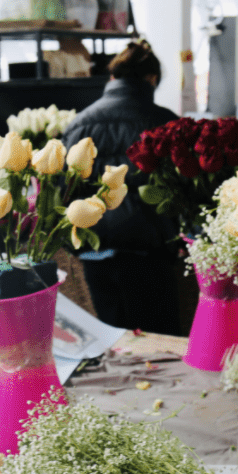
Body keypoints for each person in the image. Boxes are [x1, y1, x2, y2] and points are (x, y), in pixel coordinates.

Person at [62, 40, 182, 335]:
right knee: (161, 342)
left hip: (97, 252)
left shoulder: (79, 124)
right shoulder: (165, 123)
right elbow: (182, 191)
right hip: (152, 253)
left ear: (112, 77)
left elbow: (65, 192)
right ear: (151, 80)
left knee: (112, 342)